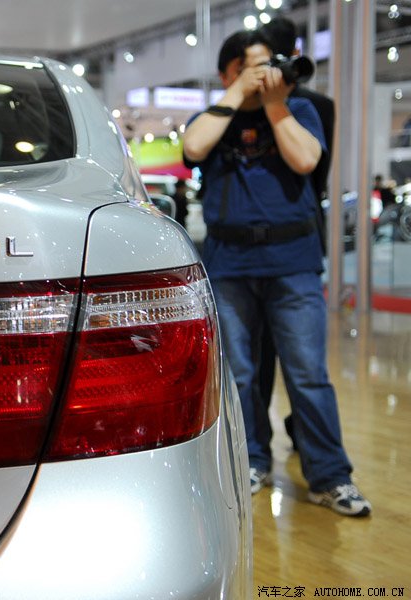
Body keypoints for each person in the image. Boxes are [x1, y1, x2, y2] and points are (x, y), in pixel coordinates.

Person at [183, 30, 371, 516]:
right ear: (228, 72)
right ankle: (251, 460)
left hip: (293, 263)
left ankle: (330, 476)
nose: (267, 72)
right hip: (230, 265)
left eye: (270, 63)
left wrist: (273, 104)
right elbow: (195, 147)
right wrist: (237, 94)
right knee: (241, 375)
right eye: (253, 65)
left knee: (308, 374)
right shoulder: (213, 116)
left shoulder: (298, 110)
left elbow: (305, 159)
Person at [260, 17, 337, 450]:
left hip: (286, 239)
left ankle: (259, 449)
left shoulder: (290, 105)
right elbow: (318, 178)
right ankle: (303, 435)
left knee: (260, 356)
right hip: (303, 229)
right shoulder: (319, 104)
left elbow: (313, 165)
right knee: (306, 359)